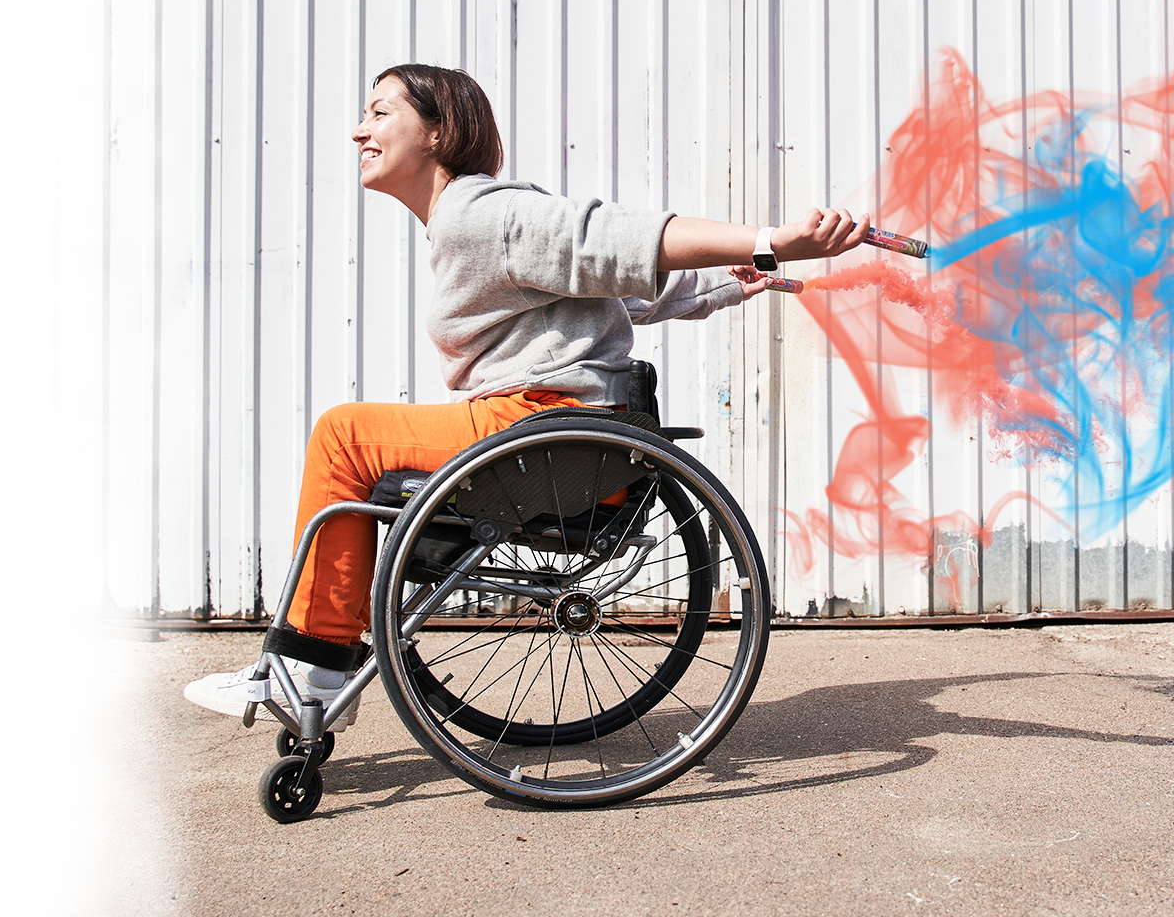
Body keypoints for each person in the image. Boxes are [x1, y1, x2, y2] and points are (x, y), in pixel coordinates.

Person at [185, 64, 869, 726]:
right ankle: (318, 660)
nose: (359, 131)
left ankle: (313, 664)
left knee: (344, 436)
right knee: (354, 441)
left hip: (543, 426)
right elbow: (607, 285)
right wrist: (737, 274)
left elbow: (611, 240)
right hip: (548, 427)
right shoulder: (469, 220)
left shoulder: (480, 214)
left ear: (436, 130)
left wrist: (769, 242)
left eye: (379, 113)